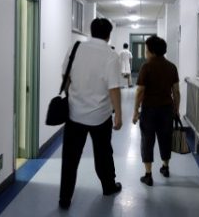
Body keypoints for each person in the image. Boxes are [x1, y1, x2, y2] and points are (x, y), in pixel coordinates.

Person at [59, 18, 123, 209]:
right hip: (100, 117)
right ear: (108, 34)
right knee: (103, 154)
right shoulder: (111, 56)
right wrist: (118, 114)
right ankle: (108, 186)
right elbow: (113, 88)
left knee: (70, 158)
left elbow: (66, 75)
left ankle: (64, 199)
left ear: (91, 30)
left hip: (74, 114)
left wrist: (72, 94)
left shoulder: (75, 48)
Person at [132, 35, 180, 186]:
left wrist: (135, 111)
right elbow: (176, 91)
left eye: (146, 50)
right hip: (167, 109)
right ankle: (165, 167)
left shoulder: (147, 67)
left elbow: (140, 91)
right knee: (165, 138)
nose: (145, 53)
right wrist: (176, 110)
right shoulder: (171, 67)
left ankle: (148, 175)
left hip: (149, 110)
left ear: (152, 52)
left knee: (147, 140)